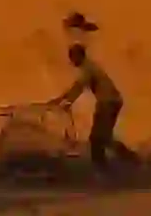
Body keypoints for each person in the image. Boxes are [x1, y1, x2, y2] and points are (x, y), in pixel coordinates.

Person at [49, 44, 140, 174]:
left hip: (108, 103)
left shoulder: (89, 68)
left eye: (72, 57)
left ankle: (114, 167)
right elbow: (77, 87)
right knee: (102, 138)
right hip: (110, 102)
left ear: (79, 56)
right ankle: (125, 163)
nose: (71, 61)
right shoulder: (90, 67)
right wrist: (61, 100)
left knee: (99, 138)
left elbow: (79, 87)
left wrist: (66, 102)